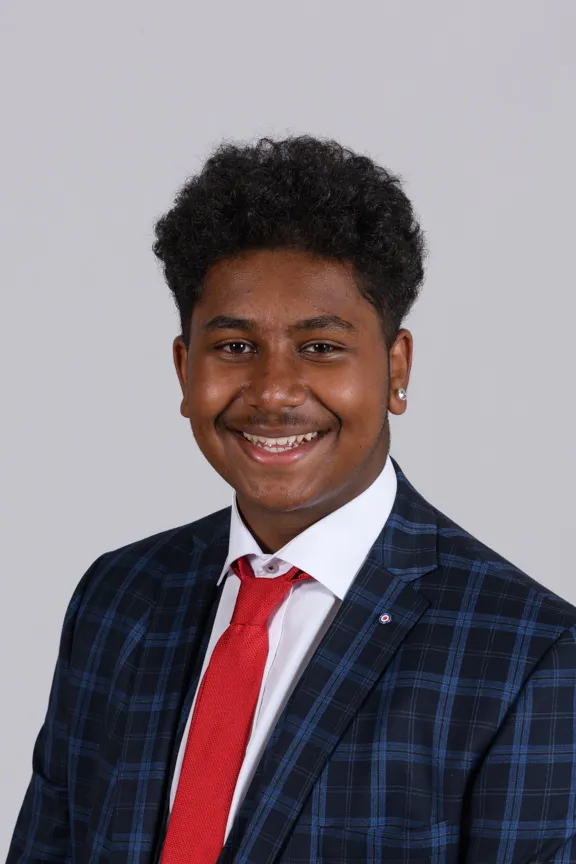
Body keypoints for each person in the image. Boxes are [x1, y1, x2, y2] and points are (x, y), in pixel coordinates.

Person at [7, 136, 576, 864]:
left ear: (396, 368)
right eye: (236, 347)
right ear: (185, 370)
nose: (274, 392)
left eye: (321, 347)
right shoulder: (117, 600)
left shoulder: (529, 657)